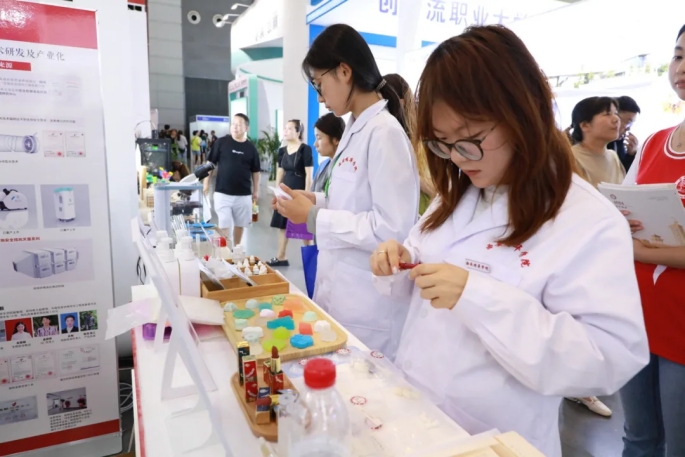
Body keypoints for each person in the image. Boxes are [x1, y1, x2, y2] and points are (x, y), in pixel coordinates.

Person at [369, 25, 648, 457]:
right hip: (416, 414)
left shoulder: (587, 220)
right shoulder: (458, 192)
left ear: (523, 111)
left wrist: (477, 297)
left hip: (497, 436)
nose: (457, 158)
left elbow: (607, 359)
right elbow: (425, 259)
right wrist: (401, 258)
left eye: (470, 139)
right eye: (444, 144)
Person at [273, 24, 419, 359]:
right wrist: (315, 200)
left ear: (344, 71)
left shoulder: (384, 133)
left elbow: (392, 229)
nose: (320, 97)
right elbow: (352, 201)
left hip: (367, 306)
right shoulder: (355, 127)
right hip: (339, 292)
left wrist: (314, 217)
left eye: (319, 83)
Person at [619, 24, 685, 457]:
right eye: (678, 55)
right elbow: (621, 211)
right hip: (638, 312)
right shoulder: (656, 142)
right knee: (639, 439)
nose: (682, 67)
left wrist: (638, 250)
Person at [204, 113, 260, 246]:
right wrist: (206, 183)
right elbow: (210, 164)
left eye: (239, 125)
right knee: (224, 222)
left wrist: (256, 190)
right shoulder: (221, 143)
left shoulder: (251, 148)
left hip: (243, 194)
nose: (235, 127)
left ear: (246, 128)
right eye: (233, 124)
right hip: (222, 192)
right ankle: (226, 250)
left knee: (240, 224)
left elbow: (256, 171)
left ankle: (236, 248)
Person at [384, 73, 436, 215]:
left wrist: (409, 176)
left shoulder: (422, 139)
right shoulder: (390, 135)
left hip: (421, 214)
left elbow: (435, 189)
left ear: (400, 102)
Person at [268, 120, 314, 267]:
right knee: (283, 224)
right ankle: (281, 256)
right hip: (285, 191)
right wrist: (277, 191)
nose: (285, 131)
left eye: (289, 129)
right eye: (285, 128)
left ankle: (311, 259)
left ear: (298, 132)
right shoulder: (282, 151)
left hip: (299, 191)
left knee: (304, 227)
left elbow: (309, 175)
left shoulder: (305, 149)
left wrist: (307, 194)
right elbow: (280, 172)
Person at [570, 96, 625, 188]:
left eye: (615, 113)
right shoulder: (571, 157)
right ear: (585, 125)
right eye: (607, 114)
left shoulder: (613, 156)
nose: (616, 119)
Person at [311, 113, 345, 193]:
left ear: (336, 139)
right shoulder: (323, 166)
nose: (315, 144)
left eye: (319, 138)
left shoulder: (346, 166)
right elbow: (312, 194)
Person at [607, 95, 641, 172]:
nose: (628, 128)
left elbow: (622, 173)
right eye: (628, 122)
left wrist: (631, 155)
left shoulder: (619, 141)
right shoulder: (600, 143)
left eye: (631, 124)